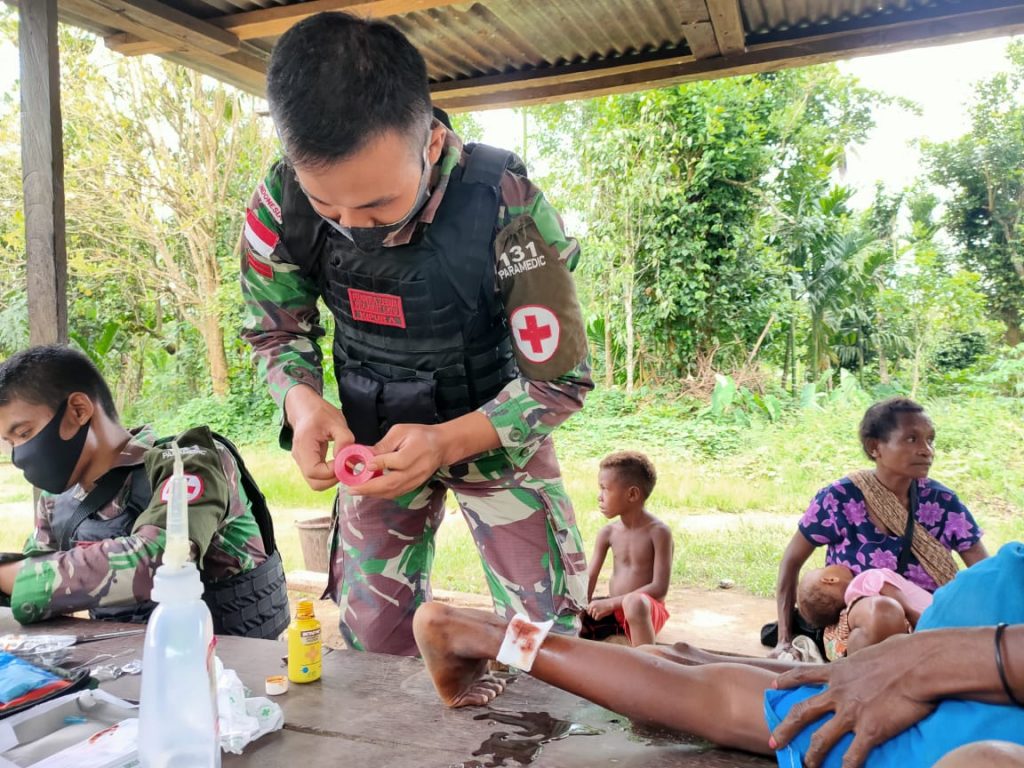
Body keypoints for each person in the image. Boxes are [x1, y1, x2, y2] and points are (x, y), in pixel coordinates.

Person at [239, 12, 592, 655]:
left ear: (429, 144)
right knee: (370, 637)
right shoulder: (281, 200)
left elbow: (560, 379)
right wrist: (301, 400)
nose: (353, 227)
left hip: (494, 433)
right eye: (329, 207)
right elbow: (274, 330)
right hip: (372, 442)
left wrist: (447, 440)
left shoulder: (505, 202)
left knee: (545, 642)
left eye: (376, 205)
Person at [414, 541, 1024, 768]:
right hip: (992, 659)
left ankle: (490, 635)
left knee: (758, 691)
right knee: (731, 703)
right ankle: (491, 638)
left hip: (998, 609)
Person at [0, 346, 289, 637]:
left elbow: (162, 558)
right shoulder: (58, 501)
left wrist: (14, 576)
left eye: (24, 434)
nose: (19, 455)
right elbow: (33, 581)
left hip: (227, 667)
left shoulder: (191, 461)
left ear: (78, 410)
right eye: (9, 442)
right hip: (127, 664)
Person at [770, 397, 988, 658]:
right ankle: (861, 688)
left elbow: (986, 572)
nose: (927, 450)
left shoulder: (942, 502)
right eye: (912, 439)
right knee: (883, 611)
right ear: (875, 447)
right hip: (857, 623)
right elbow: (791, 562)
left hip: (932, 622)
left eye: (930, 439)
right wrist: (784, 639)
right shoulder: (839, 498)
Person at [582, 451, 673, 646]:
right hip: (614, 610)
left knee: (634, 602)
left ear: (632, 494)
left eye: (605, 489)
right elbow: (590, 576)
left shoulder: (658, 532)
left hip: (644, 610)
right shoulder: (607, 532)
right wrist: (580, 609)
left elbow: (659, 588)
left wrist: (612, 603)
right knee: (572, 613)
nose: (599, 497)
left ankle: (647, 664)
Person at [798, 565, 932, 659]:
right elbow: (906, 608)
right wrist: (916, 617)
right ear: (830, 579)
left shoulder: (844, 628)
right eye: (823, 568)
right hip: (931, 622)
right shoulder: (864, 579)